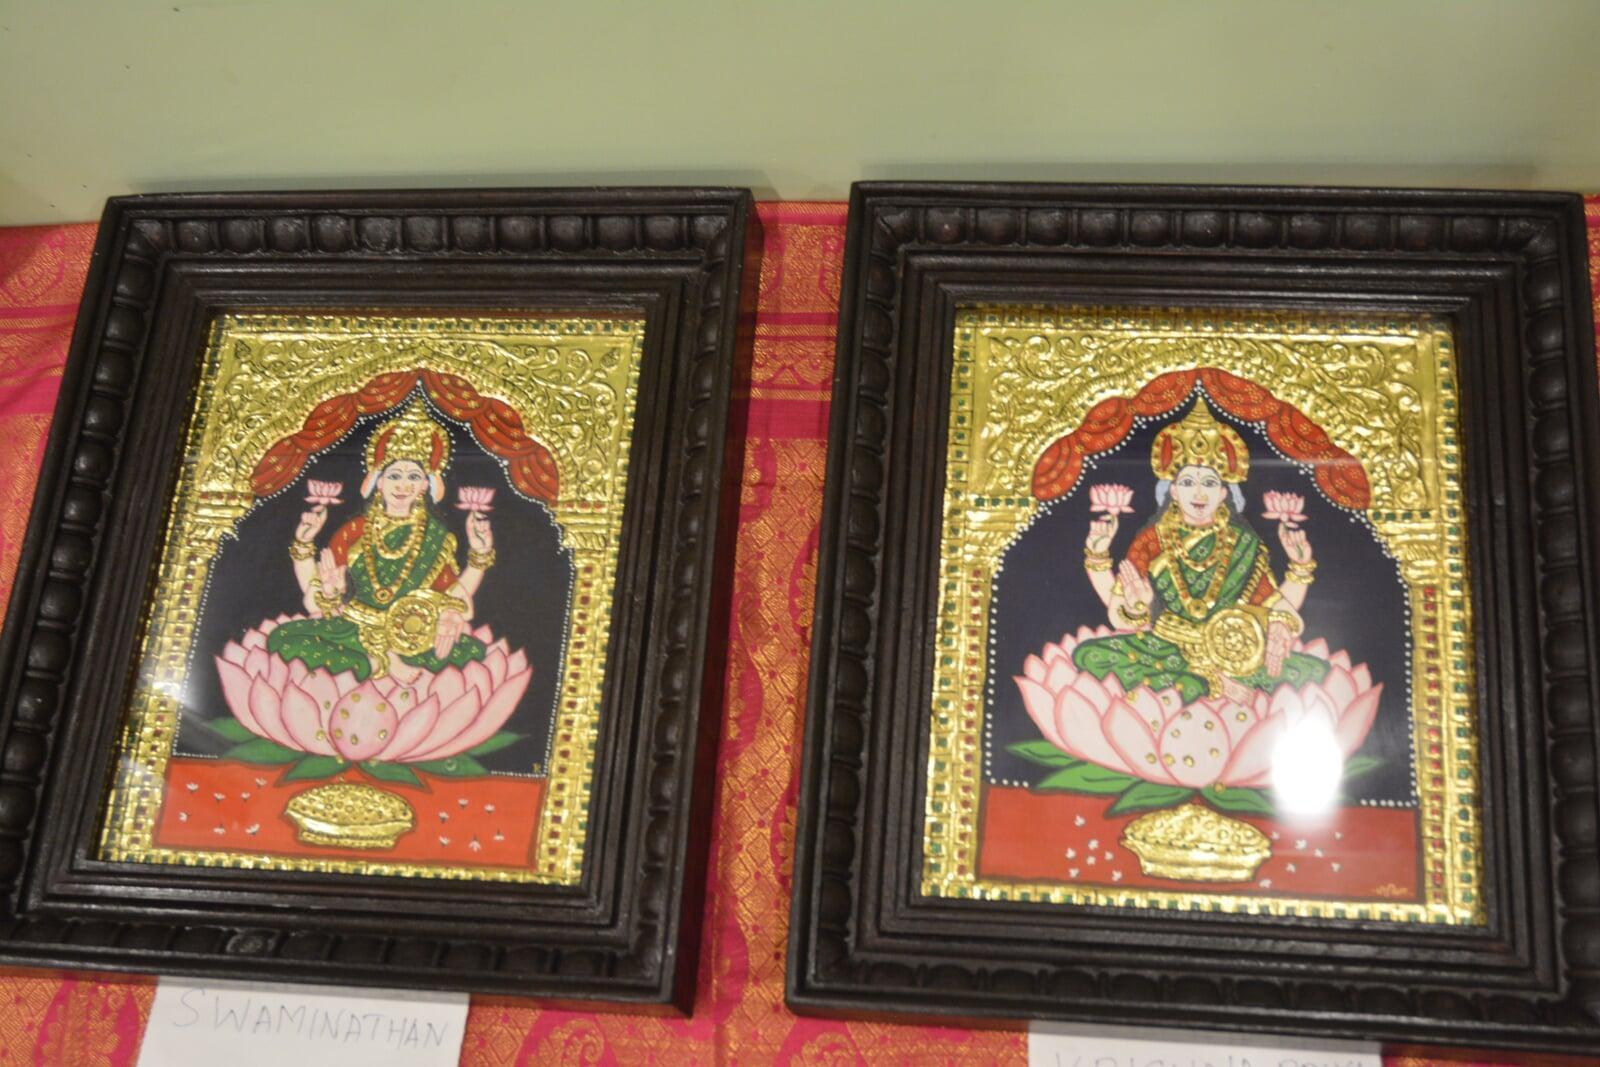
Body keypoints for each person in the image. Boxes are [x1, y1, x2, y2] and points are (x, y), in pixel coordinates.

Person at [1076, 398, 1324, 706]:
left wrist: (1290, 591)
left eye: (1208, 483)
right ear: (1173, 491)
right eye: (1187, 482)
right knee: (1090, 656)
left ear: (1222, 494)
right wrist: (1137, 604)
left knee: (1312, 672)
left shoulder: (1242, 543)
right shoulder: (1151, 540)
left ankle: (1207, 683)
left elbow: (1273, 605)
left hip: (1232, 650)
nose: (1198, 493)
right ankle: (1212, 684)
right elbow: (1121, 617)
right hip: (1167, 648)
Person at [269, 398, 497, 683]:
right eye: (394, 475)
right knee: (285, 640)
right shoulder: (356, 530)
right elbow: (321, 594)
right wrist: (310, 555)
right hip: (351, 628)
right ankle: (377, 659)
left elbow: (449, 595)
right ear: (378, 481)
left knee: (472, 654)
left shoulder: (435, 536)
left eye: (414, 476)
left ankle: (376, 660)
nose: (403, 485)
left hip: (411, 634)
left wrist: (476, 560)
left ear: (426, 485)